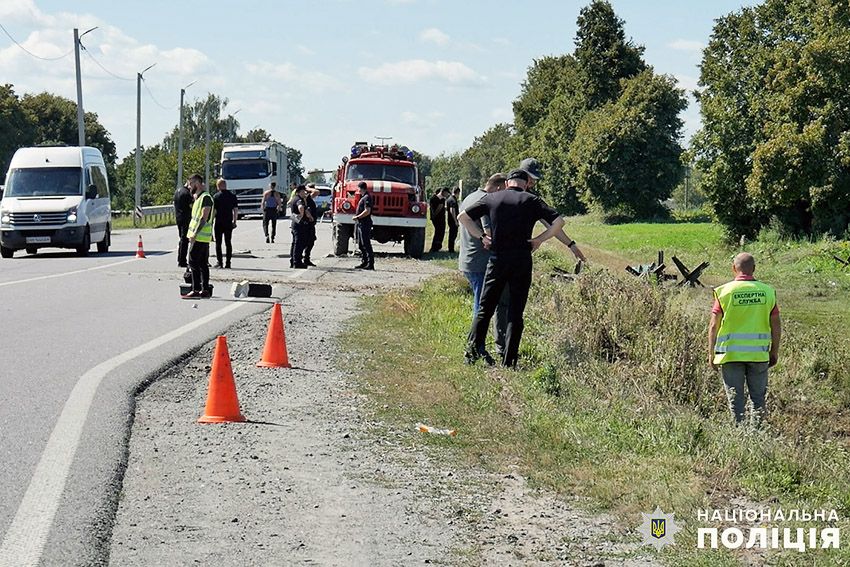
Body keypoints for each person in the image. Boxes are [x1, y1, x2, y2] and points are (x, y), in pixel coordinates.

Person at [458, 169, 565, 367]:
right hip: (521, 261)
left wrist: (482, 237)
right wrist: (539, 240)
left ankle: (471, 353)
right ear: (525, 184)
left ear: (507, 183)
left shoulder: (492, 198)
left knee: (485, 309)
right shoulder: (532, 200)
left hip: (497, 259)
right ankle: (509, 361)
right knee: (516, 312)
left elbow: (463, 217)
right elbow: (559, 222)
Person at [708, 252, 781, 426]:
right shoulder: (767, 292)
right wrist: (774, 351)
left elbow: (713, 325)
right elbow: (776, 325)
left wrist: (711, 354)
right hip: (758, 355)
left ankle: (739, 433)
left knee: (735, 400)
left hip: (731, 355)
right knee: (758, 398)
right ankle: (757, 433)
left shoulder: (724, 292)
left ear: (734, 268)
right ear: (754, 269)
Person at [520, 157, 588, 263]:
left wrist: (571, 245)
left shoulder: (533, 200)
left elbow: (552, 225)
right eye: (530, 177)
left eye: (535, 178)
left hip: (520, 253)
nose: (532, 182)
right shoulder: (502, 191)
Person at [182, 174, 214, 299]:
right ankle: (204, 290)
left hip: (199, 236)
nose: (189, 187)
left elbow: (203, 218)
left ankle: (196, 289)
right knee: (202, 264)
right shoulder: (199, 198)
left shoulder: (206, 198)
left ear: (197, 183)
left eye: (190, 184)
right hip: (201, 237)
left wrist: (195, 233)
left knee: (193, 262)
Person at [212, 178, 238, 269]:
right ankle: (228, 262)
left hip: (219, 222)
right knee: (228, 242)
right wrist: (234, 221)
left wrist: (211, 222)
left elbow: (214, 211)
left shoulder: (216, 196)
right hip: (228, 222)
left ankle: (220, 262)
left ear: (218, 186)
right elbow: (235, 210)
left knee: (218, 243)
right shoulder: (232, 196)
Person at [352, 181, 374, 270]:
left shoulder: (367, 197)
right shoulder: (364, 197)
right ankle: (364, 262)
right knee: (361, 244)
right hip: (361, 223)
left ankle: (370, 263)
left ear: (361, 188)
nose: (358, 190)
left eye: (358, 188)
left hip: (365, 223)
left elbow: (367, 211)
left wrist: (358, 217)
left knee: (366, 243)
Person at [289, 185, 311, 268]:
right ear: (299, 192)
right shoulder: (299, 200)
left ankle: (293, 261)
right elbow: (301, 207)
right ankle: (297, 262)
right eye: (303, 191)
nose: (304, 193)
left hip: (295, 222)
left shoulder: (294, 199)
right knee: (299, 243)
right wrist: (301, 215)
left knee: (295, 243)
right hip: (299, 224)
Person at [173, 181, 193, 268]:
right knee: (184, 240)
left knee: (181, 239)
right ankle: (182, 261)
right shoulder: (187, 193)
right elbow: (191, 206)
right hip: (185, 218)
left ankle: (180, 258)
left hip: (178, 217)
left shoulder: (177, 191)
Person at [303, 184, 319, 267]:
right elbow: (316, 192)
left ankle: (306, 258)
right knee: (307, 241)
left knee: (311, 241)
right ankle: (303, 258)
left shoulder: (308, 198)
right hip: (307, 224)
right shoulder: (307, 197)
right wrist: (308, 188)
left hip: (311, 224)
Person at [429, 187, 448, 253]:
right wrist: (435, 215)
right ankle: (434, 247)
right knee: (438, 232)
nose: (447, 195)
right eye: (446, 193)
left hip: (440, 218)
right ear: (443, 192)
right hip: (437, 218)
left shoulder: (441, 199)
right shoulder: (436, 199)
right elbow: (438, 208)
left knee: (440, 232)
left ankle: (437, 246)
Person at [446, 187, 461, 253]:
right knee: (453, 234)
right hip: (453, 220)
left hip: (450, 219)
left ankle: (450, 247)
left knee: (451, 234)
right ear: (457, 192)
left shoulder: (449, 199)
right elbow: (452, 211)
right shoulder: (453, 200)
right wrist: (456, 221)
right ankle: (451, 249)